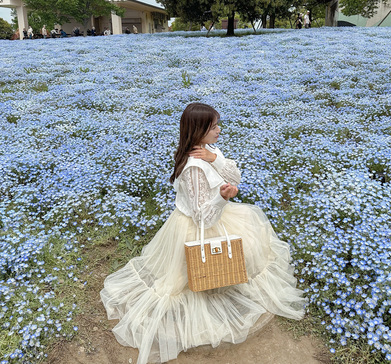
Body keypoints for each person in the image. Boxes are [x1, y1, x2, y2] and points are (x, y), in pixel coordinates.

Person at [100, 102, 304, 364]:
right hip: (198, 227)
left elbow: (236, 176)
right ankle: (208, 300)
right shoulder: (193, 168)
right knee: (194, 276)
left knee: (234, 260)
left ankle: (218, 286)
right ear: (199, 130)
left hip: (218, 218)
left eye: (218, 124)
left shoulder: (207, 151)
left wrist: (216, 158)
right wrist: (221, 197)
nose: (219, 129)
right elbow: (202, 218)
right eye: (214, 126)